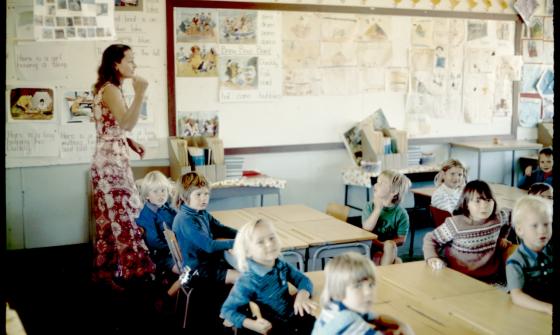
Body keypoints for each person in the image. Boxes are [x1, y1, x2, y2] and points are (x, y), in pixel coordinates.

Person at [90, 44, 155, 289]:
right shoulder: (111, 90)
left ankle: (107, 274)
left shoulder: (108, 88)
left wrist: (128, 141)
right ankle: (136, 274)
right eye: (130, 60)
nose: (134, 65)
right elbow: (127, 123)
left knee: (110, 219)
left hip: (108, 158)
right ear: (116, 64)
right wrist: (140, 94)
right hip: (111, 165)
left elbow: (112, 127)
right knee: (124, 216)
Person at [221, 218, 317, 334]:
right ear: (248, 252)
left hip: (288, 319)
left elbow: (302, 279)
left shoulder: (279, 263)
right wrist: (252, 324)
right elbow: (227, 310)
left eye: (272, 237)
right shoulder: (248, 280)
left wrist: (303, 294)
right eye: (260, 242)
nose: (269, 243)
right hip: (267, 327)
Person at [423, 180, 512, 283]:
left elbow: (509, 219)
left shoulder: (499, 218)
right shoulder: (456, 224)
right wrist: (432, 257)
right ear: (466, 204)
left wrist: (503, 237)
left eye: (488, 200)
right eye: (477, 201)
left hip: (490, 277)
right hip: (458, 277)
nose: (484, 205)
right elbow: (431, 238)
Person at [312, 252, 414, 335]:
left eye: (371, 285)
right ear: (338, 291)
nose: (368, 292)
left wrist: (402, 325)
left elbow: (377, 318)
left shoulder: (336, 304)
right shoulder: (347, 319)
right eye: (358, 286)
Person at [172, 171, 239, 287]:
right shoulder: (185, 219)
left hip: (204, 263)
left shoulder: (200, 213)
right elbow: (209, 246)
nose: (203, 198)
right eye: (198, 194)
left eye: (206, 194)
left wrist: (244, 234)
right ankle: (231, 305)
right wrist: (239, 242)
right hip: (196, 271)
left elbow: (220, 229)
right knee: (242, 278)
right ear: (184, 197)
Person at [506, 196, 553, 315]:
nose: (542, 230)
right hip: (528, 311)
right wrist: (547, 308)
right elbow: (516, 296)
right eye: (535, 226)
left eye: (546, 224)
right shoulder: (515, 262)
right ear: (520, 230)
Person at [362, 170, 411, 265]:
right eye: (377, 181)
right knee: (398, 262)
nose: (376, 185)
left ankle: (381, 275)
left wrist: (384, 244)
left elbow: (401, 239)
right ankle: (383, 275)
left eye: (381, 183)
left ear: (394, 191)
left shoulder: (402, 214)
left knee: (390, 246)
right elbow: (367, 228)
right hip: (368, 248)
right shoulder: (369, 206)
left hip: (388, 249)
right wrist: (377, 209)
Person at [136, 171, 178, 279]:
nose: (161, 195)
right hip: (163, 255)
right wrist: (176, 248)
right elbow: (153, 241)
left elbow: (180, 221)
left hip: (179, 247)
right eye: (155, 191)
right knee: (190, 269)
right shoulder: (146, 215)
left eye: (163, 190)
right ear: (147, 196)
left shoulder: (167, 207)